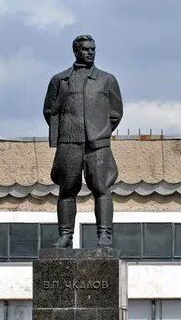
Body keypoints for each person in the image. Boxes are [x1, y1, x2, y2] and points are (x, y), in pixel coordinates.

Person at [43, 35, 123, 248]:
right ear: (76, 51)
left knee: (101, 187)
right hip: (69, 142)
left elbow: (115, 113)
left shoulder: (107, 80)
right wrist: (66, 133)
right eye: (86, 49)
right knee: (67, 189)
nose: (90, 53)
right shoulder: (59, 80)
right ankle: (66, 235)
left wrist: (100, 131)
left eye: (93, 49)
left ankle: (104, 234)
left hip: (97, 143)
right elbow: (50, 111)